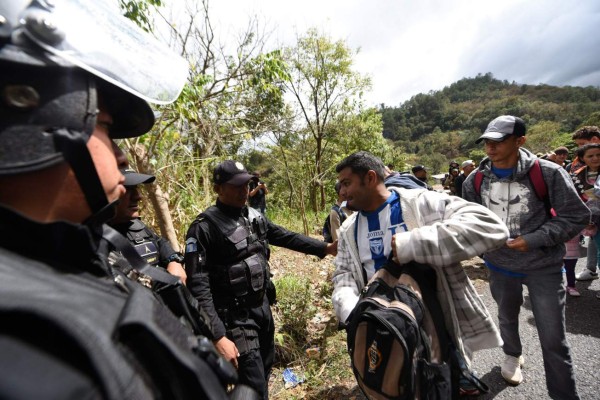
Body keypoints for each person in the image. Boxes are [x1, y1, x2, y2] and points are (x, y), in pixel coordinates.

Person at [0, 1, 250, 399]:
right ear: (43, 124)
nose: (120, 157)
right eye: (107, 128)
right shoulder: (22, 347)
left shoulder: (86, 251)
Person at [332, 151, 509, 395]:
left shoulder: (421, 203)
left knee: (440, 385)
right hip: (385, 329)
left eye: (346, 183)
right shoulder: (348, 229)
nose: (341, 191)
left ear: (370, 178)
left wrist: (413, 243)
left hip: (436, 324)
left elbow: (490, 227)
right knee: (393, 385)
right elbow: (343, 275)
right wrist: (353, 312)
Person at [184, 160, 337, 399]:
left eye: (247, 184)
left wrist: (325, 248)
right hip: (235, 319)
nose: (244, 191)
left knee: (264, 372)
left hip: (262, 309)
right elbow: (198, 286)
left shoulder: (253, 216)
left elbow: (286, 237)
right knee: (252, 384)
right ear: (218, 189)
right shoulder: (203, 228)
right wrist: (217, 335)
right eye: (236, 186)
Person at [462, 115, 588, 399]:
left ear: (520, 141)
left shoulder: (548, 173)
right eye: (487, 142)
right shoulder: (476, 180)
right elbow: (469, 220)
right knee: (506, 316)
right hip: (499, 265)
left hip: (543, 267)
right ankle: (511, 354)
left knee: (553, 339)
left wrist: (534, 239)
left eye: (499, 141)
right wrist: (483, 248)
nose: (490, 148)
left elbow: (577, 215)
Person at [109, 168, 187, 284]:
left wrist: (174, 261)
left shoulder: (135, 225)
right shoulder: (94, 240)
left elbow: (160, 242)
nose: (138, 197)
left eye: (136, 188)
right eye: (128, 189)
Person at [569, 126, 600, 281]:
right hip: (592, 215)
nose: (594, 158)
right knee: (595, 241)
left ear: (594, 140)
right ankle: (591, 268)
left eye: (581, 143)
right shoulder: (579, 171)